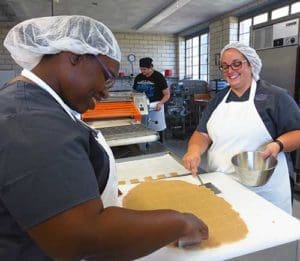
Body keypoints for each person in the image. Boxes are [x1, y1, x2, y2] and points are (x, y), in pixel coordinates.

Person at [0, 16, 208, 260]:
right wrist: (180, 223)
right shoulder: (30, 121)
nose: (105, 91)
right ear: (74, 56)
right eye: (107, 76)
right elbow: (80, 239)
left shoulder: (37, 104)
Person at [183, 42, 300, 214]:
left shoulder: (275, 96)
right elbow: (202, 133)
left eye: (237, 64)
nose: (230, 70)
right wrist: (193, 151)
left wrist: (278, 145)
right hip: (221, 184)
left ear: (251, 64)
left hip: (263, 190)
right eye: (225, 66)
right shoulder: (218, 99)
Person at [133, 57, 170, 142]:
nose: (143, 71)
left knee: (156, 129)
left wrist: (160, 103)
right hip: (141, 106)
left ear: (151, 67)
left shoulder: (158, 77)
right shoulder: (139, 77)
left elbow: (167, 94)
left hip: (156, 106)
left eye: (144, 69)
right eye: (141, 69)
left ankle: (159, 147)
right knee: (143, 129)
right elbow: (134, 91)